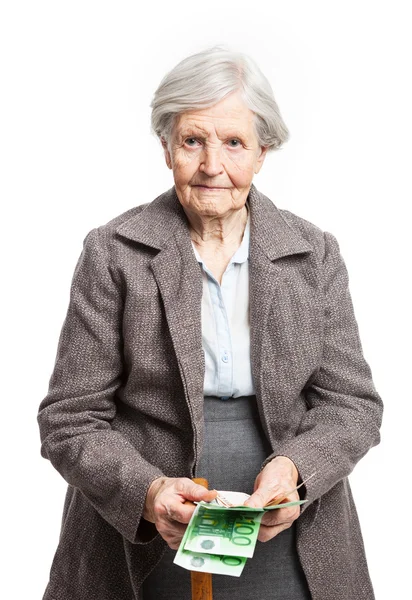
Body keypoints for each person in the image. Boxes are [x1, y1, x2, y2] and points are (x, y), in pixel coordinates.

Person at [37, 47, 383, 600]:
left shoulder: (313, 253)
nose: (212, 166)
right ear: (166, 147)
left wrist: (296, 471)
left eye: (235, 142)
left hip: (292, 530)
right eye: (192, 141)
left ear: (263, 151)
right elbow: (69, 419)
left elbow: (353, 405)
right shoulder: (112, 253)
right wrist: (148, 494)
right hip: (143, 538)